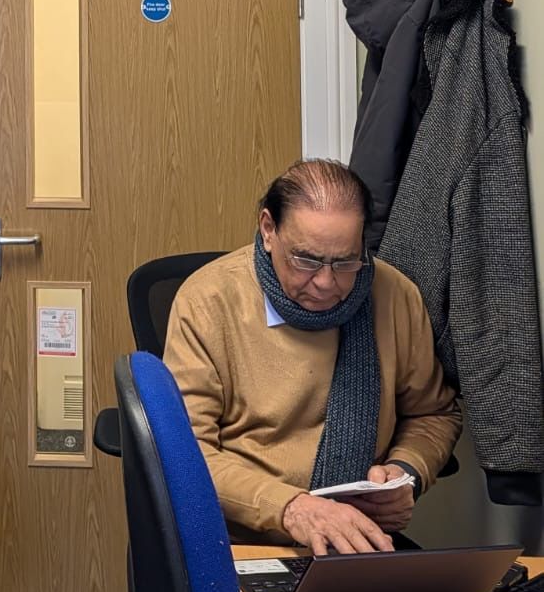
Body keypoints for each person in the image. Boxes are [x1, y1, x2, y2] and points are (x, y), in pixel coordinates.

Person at [163, 159, 461, 555]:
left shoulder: (394, 295)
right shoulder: (208, 301)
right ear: (269, 230)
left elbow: (433, 413)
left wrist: (407, 473)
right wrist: (291, 508)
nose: (325, 282)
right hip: (241, 541)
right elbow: (187, 453)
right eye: (305, 260)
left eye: (345, 262)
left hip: (356, 538)